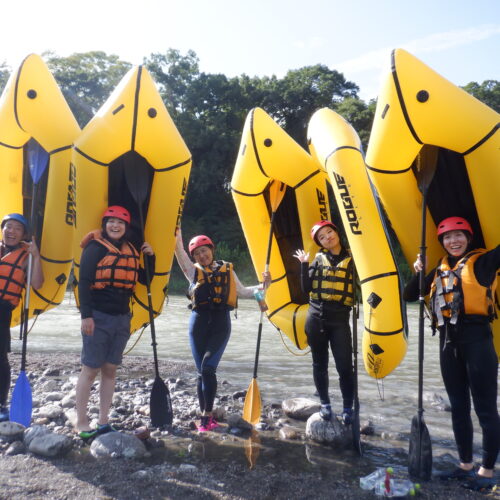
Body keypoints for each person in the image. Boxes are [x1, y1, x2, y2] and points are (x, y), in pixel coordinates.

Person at [403, 216, 499, 492]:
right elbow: (409, 294)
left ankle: (486, 470)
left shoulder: (483, 262)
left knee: (485, 409)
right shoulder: (438, 270)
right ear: (442, 243)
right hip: (448, 345)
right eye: (447, 237)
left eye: (459, 236)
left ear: (469, 239)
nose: (453, 241)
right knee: (458, 407)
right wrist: (418, 271)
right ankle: (465, 465)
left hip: (478, 341)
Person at [175, 228, 271, 432]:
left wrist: (264, 285)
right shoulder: (192, 271)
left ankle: (207, 417)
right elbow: (179, 251)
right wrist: (177, 232)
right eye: (197, 253)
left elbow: (244, 291)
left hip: (220, 324)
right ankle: (204, 415)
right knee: (201, 372)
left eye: (204, 250)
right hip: (198, 325)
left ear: (212, 249)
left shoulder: (227, 269)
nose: (202, 255)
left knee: (208, 368)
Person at [75, 206, 155, 439]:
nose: (115, 226)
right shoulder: (95, 247)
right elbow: (84, 282)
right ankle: (81, 422)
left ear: (126, 227)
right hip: (98, 316)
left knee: (110, 369)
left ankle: (103, 421)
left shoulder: (131, 250)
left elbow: (145, 279)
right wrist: (86, 316)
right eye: (110, 221)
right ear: (104, 224)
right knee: (90, 369)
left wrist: (151, 257)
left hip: (122, 318)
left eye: (120, 222)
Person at [293, 220, 355, 424]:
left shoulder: (353, 257)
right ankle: (325, 404)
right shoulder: (318, 260)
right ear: (320, 243)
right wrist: (303, 264)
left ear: (336, 232)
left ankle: (347, 407)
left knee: (345, 366)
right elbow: (305, 288)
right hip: (316, 318)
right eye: (322, 237)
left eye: (329, 232)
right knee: (320, 364)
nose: (327, 237)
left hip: (340, 320)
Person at [0, 213, 44, 422]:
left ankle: (0, 403)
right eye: (8, 227)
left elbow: (37, 284)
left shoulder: (26, 257)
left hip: (2, 310)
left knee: (0, 359)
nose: (11, 231)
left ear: (23, 235)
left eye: (17, 228)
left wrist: (36, 255)